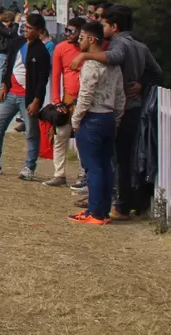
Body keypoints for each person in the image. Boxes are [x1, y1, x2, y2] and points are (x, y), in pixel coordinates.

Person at [69, 4, 162, 218]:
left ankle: (118, 205)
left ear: (115, 26)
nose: (101, 27)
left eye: (104, 23)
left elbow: (115, 57)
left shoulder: (120, 44)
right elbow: (156, 72)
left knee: (113, 161)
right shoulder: (141, 46)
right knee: (125, 158)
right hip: (131, 106)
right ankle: (123, 202)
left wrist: (85, 57)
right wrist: (142, 83)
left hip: (112, 111)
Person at [0, 13, 52, 179]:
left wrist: (36, 101)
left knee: (31, 133)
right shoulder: (17, 43)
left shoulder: (41, 52)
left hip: (28, 98)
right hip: (11, 94)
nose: (26, 30)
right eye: (25, 26)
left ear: (39, 31)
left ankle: (29, 167)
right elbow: (8, 66)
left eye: (30, 28)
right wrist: (4, 84)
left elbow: (42, 79)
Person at [68, 21, 125, 224]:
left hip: (92, 117)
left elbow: (85, 96)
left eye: (81, 37)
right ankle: (103, 210)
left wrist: (76, 120)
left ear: (92, 39)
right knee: (106, 165)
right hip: (109, 117)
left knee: (93, 167)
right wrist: (117, 119)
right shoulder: (114, 66)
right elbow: (120, 96)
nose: (79, 40)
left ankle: (94, 212)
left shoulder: (91, 65)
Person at [46, 17, 85, 188]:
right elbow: (55, 75)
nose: (67, 34)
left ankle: (83, 174)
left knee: (83, 137)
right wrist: (56, 100)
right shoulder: (61, 48)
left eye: (72, 31)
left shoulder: (90, 51)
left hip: (85, 98)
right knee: (61, 135)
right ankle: (59, 173)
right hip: (67, 98)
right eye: (67, 31)